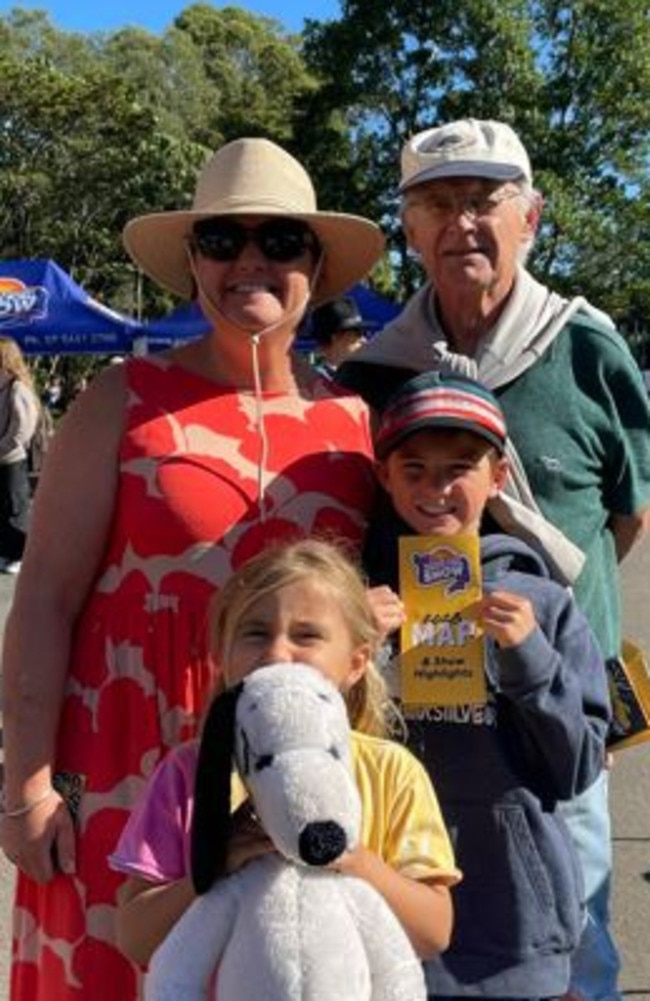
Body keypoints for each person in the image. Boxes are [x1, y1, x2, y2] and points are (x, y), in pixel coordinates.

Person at [0, 137, 386, 1001]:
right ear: (193, 264)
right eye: (222, 240)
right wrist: (25, 785)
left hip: (287, 775)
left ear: (317, 266)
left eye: (280, 241)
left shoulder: (357, 424)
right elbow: (45, 603)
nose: (250, 259)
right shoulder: (122, 399)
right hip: (119, 765)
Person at [338, 118, 650, 1001]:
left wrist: (552, 633)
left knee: (572, 949)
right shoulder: (372, 375)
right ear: (408, 225)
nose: (461, 222)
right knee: (411, 951)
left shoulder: (587, 350)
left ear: (532, 218)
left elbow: (627, 513)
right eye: (437, 203)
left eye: (485, 201)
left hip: (554, 719)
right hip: (416, 735)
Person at [363, 371, 611, 1000]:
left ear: (497, 477)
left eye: (459, 468)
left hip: (514, 923)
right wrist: (354, 649)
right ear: (384, 476)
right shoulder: (357, 600)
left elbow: (577, 766)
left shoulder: (545, 603)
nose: (436, 488)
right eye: (414, 468)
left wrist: (530, 659)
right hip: (393, 910)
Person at [109, 537, 460, 979]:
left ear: (356, 662)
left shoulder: (392, 771)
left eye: (306, 635)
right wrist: (211, 865)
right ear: (223, 655)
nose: (276, 652)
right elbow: (135, 938)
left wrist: (353, 858)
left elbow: (433, 933)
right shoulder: (188, 773)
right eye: (255, 632)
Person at [0, 337, 40, 575]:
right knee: (2, 509)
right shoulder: (3, 387)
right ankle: (5, 552)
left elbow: (23, 428)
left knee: (16, 508)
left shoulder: (17, 388)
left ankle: (19, 555)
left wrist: (3, 447)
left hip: (12, 459)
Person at [310, 295, 373, 377]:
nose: (365, 341)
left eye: (365, 334)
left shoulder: (357, 379)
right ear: (335, 338)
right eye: (358, 334)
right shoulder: (311, 380)